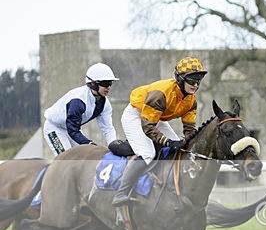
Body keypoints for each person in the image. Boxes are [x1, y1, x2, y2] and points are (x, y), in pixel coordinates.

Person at [112, 56, 208, 206]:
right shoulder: (160, 94)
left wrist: (187, 142)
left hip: (157, 118)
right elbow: (148, 127)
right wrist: (167, 141)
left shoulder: (191, 100)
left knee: (180, 150)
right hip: (136, 116)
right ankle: (121, 193)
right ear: (180, 78)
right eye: (191, 80)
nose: (195, 85)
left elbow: (189, 129)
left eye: (198, 80)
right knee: (148, 153)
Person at [42, 63, 118, 156]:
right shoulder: (78, 101)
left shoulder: (105, 104)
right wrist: (88, 143)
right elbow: (72, 130)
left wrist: (115, 146)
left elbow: (108, 129)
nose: (108, 87)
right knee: (67, 161)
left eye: (110, 83)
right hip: (55, 128)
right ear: (93, 83)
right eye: (105, 84)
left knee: (87, 159)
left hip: (72, 129)